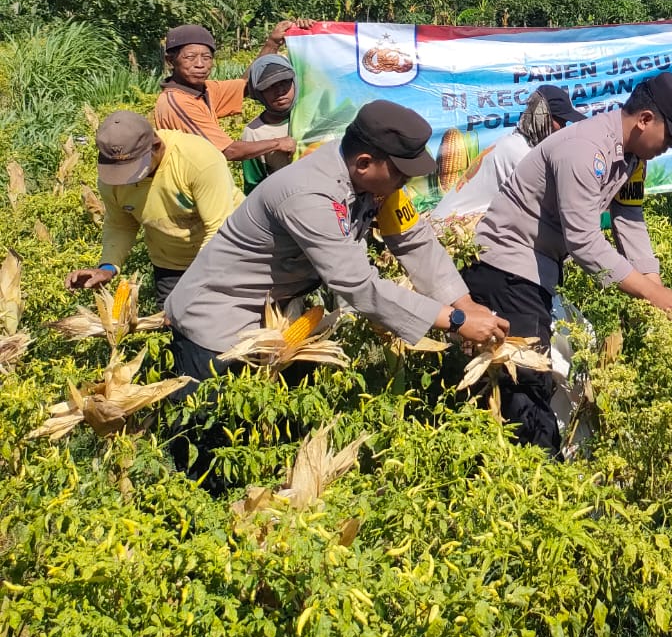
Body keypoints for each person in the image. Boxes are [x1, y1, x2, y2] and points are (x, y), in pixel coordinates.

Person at [165, 101, 508, 388]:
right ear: (363, 163)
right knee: (211, 437)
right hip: (216, 322)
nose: (406, 181)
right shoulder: (308, 195)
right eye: (401, 173)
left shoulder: (376, 184)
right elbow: (357, 285)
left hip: (268, 319)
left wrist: (464, 302)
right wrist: (458, 320)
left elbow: (413, 239)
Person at [469, 72, 672, 451]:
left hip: (538, 269)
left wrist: (655, 283)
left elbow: (629, 217)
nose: (670, 147)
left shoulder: (632, 158)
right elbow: (583, 241)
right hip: (507, 267)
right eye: (669, 137)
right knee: (528, 384)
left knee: (539, 374)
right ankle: (539, 480)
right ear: (645, 119)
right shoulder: (584, 149)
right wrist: (651, 294)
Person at [64, 111, 243, 308]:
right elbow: (120, 225)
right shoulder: (113, 179)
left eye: (133, 169)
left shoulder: (197, 158)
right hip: (171, 263)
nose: (126, 179)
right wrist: (107, 267)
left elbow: (218, 227)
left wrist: (191, 288)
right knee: (181, 334)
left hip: (229, 254)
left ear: (156, 146)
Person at [153, 20, 307, 163]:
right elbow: (229, 151)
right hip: (186, 188)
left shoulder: (205, 89)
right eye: (190, 57)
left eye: (206, 57)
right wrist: (278, 143)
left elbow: (248, 84)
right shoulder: (177, 102)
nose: (199, 64)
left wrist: (272, 44)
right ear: (170, 61)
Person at [432, 86, 586, 219]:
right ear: (542, 117)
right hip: (454, 228)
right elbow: (551, 207)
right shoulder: (521, 154)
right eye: (561, 121)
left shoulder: (513, 141)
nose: (564, 127)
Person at [240, 54, 298, 194]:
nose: (280, 91)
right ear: (259, 93)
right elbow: (254, 185)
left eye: (284, 82)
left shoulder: (313, 115)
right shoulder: (254, 133)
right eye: (270, 86)